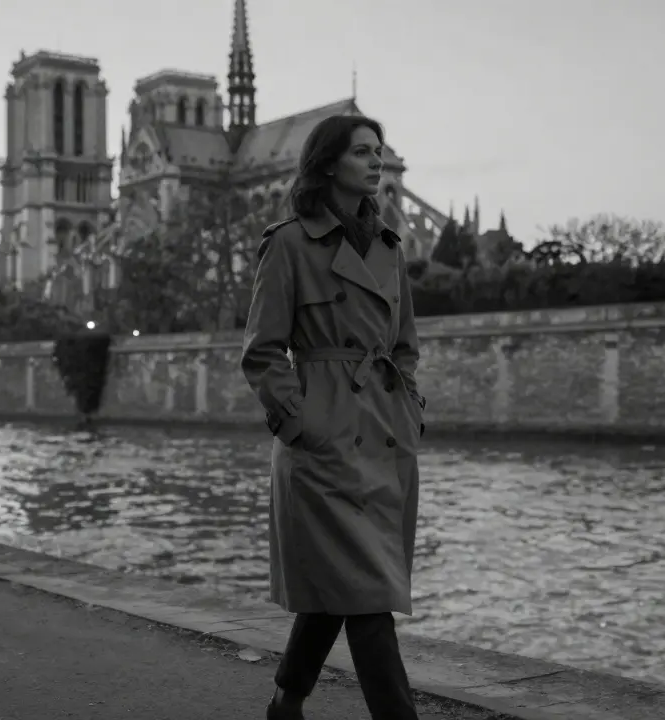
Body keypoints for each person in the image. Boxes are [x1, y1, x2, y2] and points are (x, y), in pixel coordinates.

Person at [241, 114, 425, 720]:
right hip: (322, 441)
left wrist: (409, 408)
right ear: (327, 164)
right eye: (362, 153)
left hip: (382, 433)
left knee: (336, 589)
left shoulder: (391, 248)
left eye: (380, 152)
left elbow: (404, 345)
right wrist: (300, 422)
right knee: (368, 593)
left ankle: (286, 701)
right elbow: (263, 351)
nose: (377, 162)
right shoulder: (290, 243)